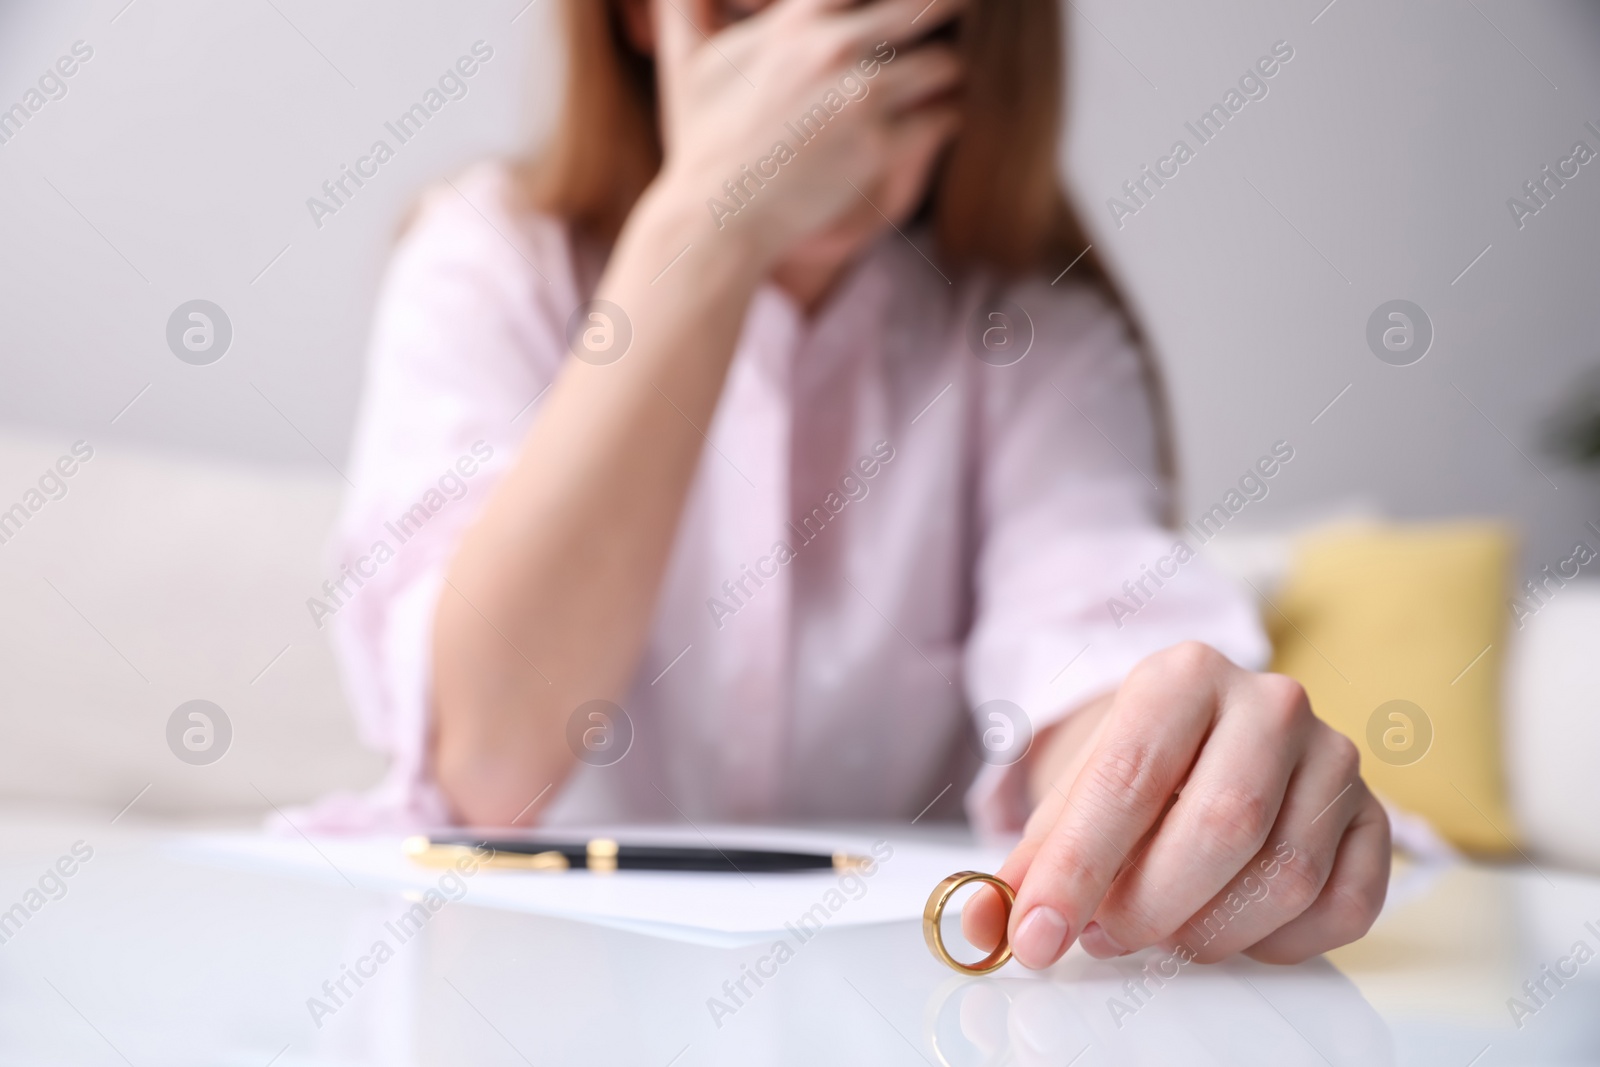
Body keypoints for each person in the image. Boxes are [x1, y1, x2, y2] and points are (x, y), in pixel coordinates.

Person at [323, 0, 1389, 971]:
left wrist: (1173, 781)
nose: (820, 96)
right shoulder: (491, 262)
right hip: (517, 981)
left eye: (874, 36)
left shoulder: (1039, 335)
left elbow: (1088, 647)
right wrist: (711, 217)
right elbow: (486, 759)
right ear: (645, 21)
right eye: (757, 26)